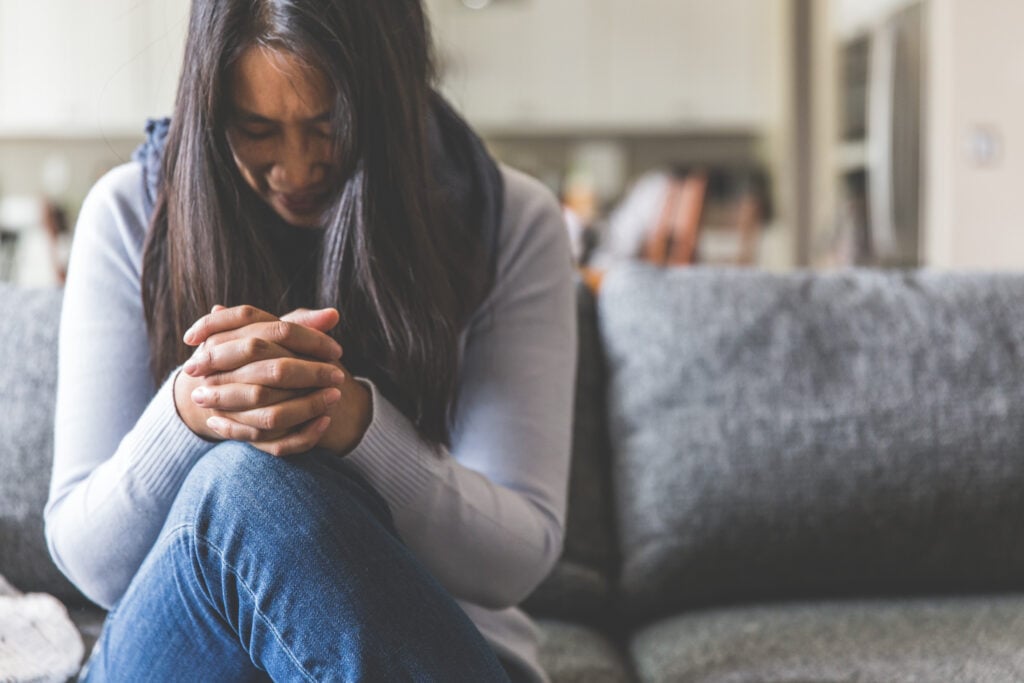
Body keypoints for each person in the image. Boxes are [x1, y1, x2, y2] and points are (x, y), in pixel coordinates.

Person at [43, 1, 576, 681]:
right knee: (240, 486)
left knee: (250, 486)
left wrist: (354, 425)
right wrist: (192, 411)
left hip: (437, 642)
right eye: (256, 129)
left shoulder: (508, 223)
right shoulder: (129, 215)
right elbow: (91, 561)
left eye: (329, 127)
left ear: (392, 95)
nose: (294, 171)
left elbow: (515, 559)